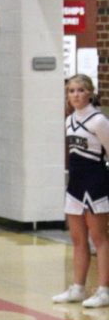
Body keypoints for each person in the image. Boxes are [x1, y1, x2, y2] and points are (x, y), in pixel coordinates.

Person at [53, 73, 109, 308]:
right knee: (77, 238)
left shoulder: (99, 121)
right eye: (71, 91)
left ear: (90, 93)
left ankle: (104, 290)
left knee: (99, 238)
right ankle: (77, 287)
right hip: (75, 184)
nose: (75, 95)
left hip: (96, 182)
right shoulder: (68, 120)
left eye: (79, 90)